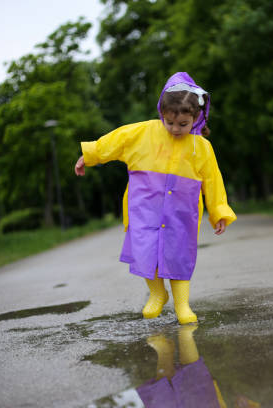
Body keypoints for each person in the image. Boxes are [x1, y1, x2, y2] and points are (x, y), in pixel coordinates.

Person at [74, 72, 236, 325]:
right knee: (145, 248)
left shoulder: (201, 147)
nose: (175, 128)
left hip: (181, 211)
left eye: (183, 124)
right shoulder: (143, 132)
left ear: (196, 117)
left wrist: (219, 211)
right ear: (162, 112)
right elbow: (116, 141)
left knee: (179, 253)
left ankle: (182, 303)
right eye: (169, 122)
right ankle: (157, 292)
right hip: (144, 207)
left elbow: (213, 180)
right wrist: (91, 155)